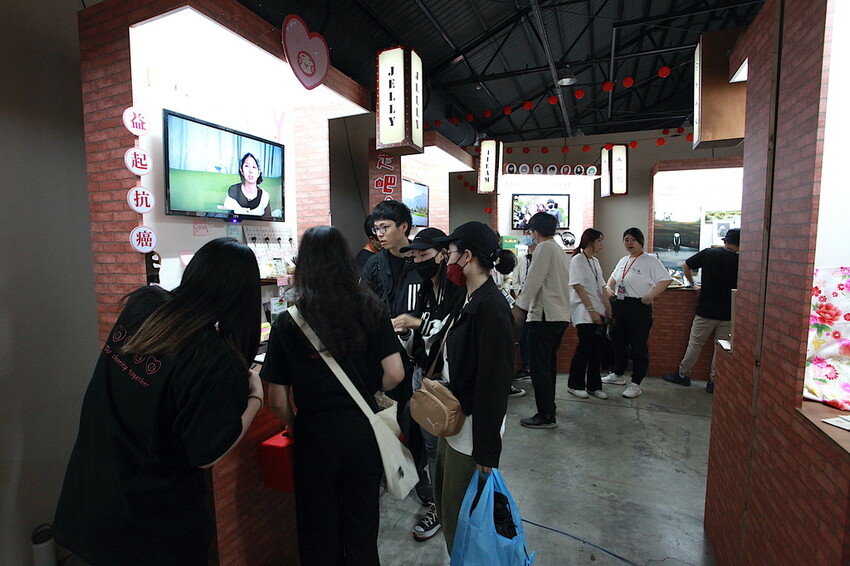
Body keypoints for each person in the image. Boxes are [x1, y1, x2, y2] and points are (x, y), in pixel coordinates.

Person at [53, 238, 264, 566]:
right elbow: (206, 454)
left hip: (89, 501)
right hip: (150, 528)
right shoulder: (213, 358)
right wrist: (256, 398)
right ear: (244, 296)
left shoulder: (143, 305)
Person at [262, 226, 404, 566]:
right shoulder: (372, 308)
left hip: (314, 436)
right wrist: (370, 391)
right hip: (362, 431)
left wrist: (297, 422)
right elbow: (396, 373)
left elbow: (277, 400)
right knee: (362, 525)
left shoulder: (289, 322)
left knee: (317, 530)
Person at [430, 221, 516, 554]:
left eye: (450, 252)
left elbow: (495, 384)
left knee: (461, 516)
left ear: (467, 256)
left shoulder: (491, 308)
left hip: (472, 432)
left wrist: (486, 450)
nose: (446, 259)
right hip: (455, 420)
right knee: (445, 501)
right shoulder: (467, 297)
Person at [392, 228, 464, 542]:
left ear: (443, 254)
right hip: (424, 377)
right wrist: (406, 332)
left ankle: (452, 506)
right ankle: (439, 503)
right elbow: (418, 341)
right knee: (432, 447)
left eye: (425, 255)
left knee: (456, 448)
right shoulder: (422, 289)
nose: (419, 261)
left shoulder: (458, 290)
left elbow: (452, 331)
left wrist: (416, 323)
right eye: (416, 256)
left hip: (450, 381)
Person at [663, 228, 740, 393]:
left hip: (706, 309)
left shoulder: (709, 253)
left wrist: (692, 284)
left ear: (725, 241)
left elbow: (685, 266)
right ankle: (714, 382)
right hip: (728, 312)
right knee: (720, 348)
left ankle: (683, 374)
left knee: (696, 344)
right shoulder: (742, 260)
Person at [515, 212, 571, 429]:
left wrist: (520, 308)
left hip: (545, 317)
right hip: (559, 316)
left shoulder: (544, 248)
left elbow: (533, 281)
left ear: (535, 232)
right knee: (548, 367)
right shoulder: (559, 249)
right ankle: (549, 408)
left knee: (540, 369)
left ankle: (545, 415)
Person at [602, 228, 673, 398]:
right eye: (626, 240)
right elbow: (613, 277)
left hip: (638, 306)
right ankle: (618, 374)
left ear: (640, 241)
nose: (629, 243)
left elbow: (666, 280)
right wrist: (609, 287)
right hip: (620, 305)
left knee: (638, 345)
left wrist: (650, 296)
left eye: (633, 240)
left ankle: (636, 383)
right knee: (617, 341)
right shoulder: (623, 260)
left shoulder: (650, 261)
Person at [567, 229, 611, 399]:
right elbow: (577, 286)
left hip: (599, 312)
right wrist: (591, 310)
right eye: (599, 241)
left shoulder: (595, 261)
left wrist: (607, 307)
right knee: (584, 350)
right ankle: (575, 384)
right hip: (584, 313)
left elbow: (602, 286)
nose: (602, 244)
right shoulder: (577, 259)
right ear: (591, 242)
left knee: (597, 351)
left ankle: (594, 385)